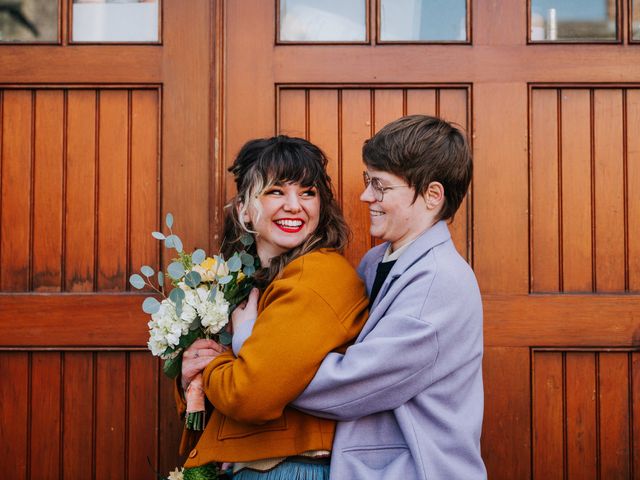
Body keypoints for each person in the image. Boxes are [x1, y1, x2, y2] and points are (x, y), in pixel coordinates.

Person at [233, 115, 487, 479]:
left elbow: (349, 385)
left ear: (432, 195)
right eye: (369, 182)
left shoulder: (439, 284)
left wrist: (251, 345)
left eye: (381, 186)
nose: (366, 195)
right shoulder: (375, 262)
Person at [175, 135, 369, 480]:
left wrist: (213, 367)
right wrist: (192, 371)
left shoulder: (317, 274)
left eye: (308, 192)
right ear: (244, 210)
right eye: (276, 191)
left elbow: (250, 394)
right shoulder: (252, 282)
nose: (295, 205)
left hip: (291, 469)